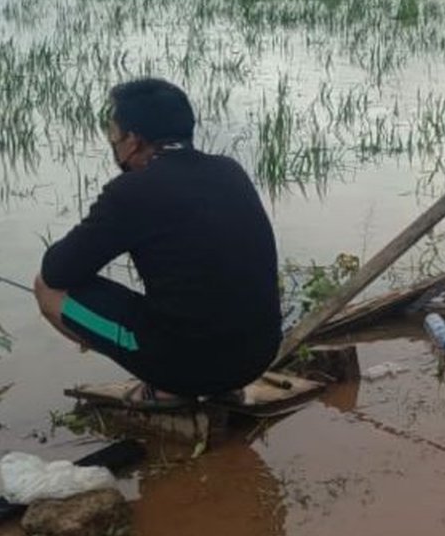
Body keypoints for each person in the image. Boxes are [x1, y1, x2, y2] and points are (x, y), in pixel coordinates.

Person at [32, 78, 281, 408]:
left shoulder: (132, 190)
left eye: (114, 133)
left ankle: (168, 386)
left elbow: (57, 271)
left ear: (133, 141)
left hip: (185, 367)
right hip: (259, 356)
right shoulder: (230, 170)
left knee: (47, 290)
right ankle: (218, 384)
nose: (113, 143)